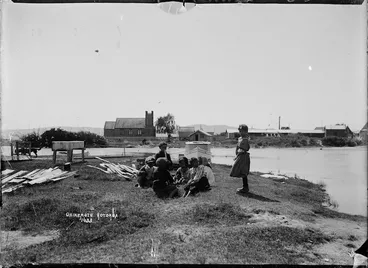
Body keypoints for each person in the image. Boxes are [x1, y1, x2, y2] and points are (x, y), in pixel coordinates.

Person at [230, 124, 251, 194]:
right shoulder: (240, 138)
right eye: (240, 131)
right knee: (239, 170)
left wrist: (238, 153)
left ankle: (245, 187)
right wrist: (237, 153)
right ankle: (245, 187)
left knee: (243, 171)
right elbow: (238, 147)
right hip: (240, 156)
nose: (241, 132)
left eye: (243, 131)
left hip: (243, 156)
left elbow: (245, 148)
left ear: (246, 132)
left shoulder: (245, 139)